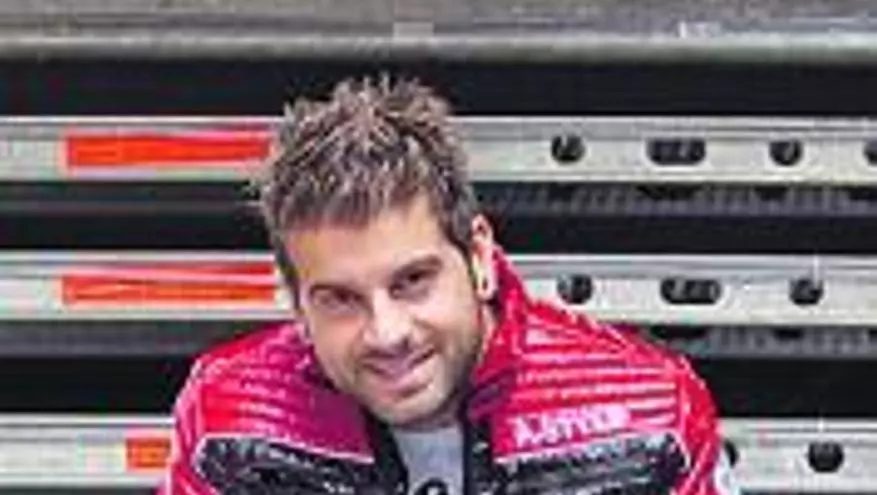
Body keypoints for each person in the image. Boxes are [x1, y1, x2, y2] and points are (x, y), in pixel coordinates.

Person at [157, 76, 739, 494]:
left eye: (412, 281)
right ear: (299, 307)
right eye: (340, 299)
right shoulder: (228, 418)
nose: (386, 334)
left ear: (480, 257)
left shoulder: (650, 414)